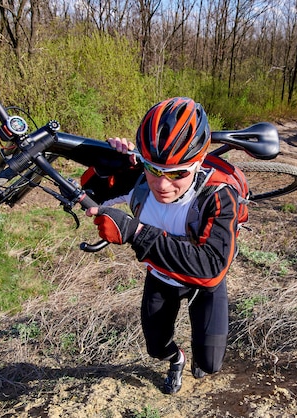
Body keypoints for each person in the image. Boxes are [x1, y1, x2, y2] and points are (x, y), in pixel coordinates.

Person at [84, 97, 240, 394]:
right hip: (161, 280)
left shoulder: (218, 196)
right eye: (153, 169)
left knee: (210, 364)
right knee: (156, 348)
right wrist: (106, 166)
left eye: (179, 173)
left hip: (204, 287)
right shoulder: (139, 180)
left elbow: (211, 269)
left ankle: (198, 360)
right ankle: (176, 359)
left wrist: (135, 232)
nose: (162, 184)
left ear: (198, 162)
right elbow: (90, 194)